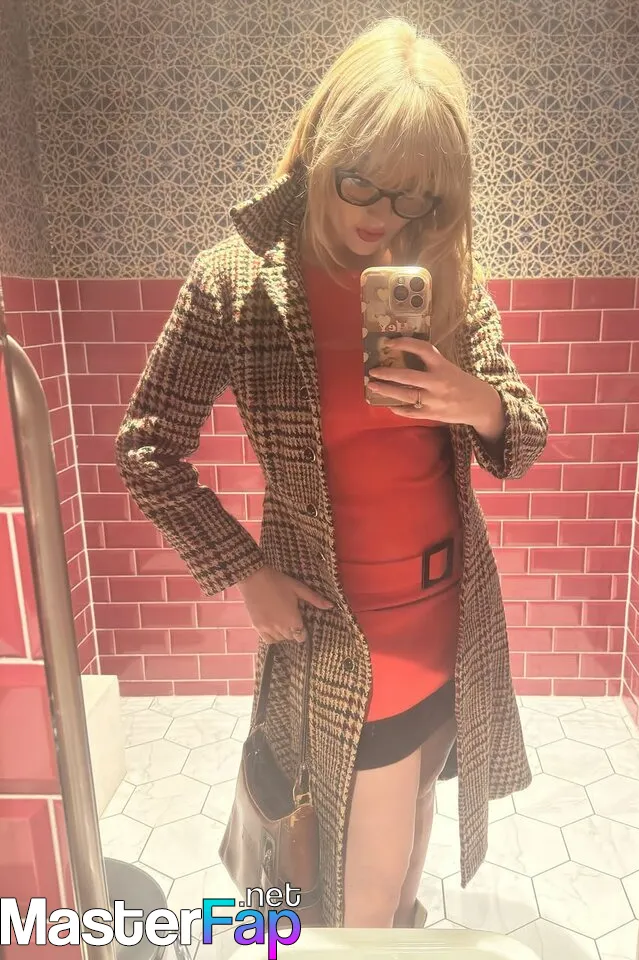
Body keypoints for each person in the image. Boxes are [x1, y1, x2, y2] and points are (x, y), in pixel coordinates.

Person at [114, 17, 548, 930]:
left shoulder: (442, 275)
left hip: (453, 615)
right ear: (320, 141)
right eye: (363, 180)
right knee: (357, 884)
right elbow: (147, 446)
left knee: (414, 822)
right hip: (344, 628)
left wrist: (475, 401)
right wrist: (245, 570)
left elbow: (522, 433)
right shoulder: (238, 281)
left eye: (416, 194)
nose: (384, 213)